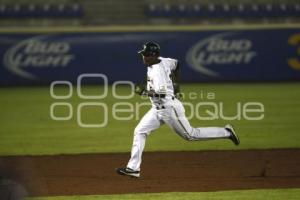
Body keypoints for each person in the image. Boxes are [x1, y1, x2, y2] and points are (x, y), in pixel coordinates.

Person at [116, 42, 240, 178]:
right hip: (157, 109)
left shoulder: (158, 72)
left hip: (169, 109)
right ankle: (133, 168)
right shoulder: (163, 60)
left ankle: (227, 132)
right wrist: (176, 86)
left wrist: (143, 92)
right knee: (140, 131)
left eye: (146, 55)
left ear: (153, 55)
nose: (143, 57)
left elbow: (161, 94)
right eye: (143, 54)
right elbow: (177, 64)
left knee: (191, 135)